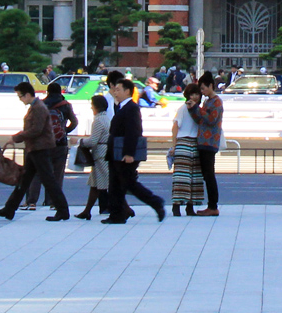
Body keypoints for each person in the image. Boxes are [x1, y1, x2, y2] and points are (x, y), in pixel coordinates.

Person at [0, 81, 69, 221]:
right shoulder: (35, 107)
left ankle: (63, 210)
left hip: (40, 149)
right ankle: (9, 209)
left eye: (20, 96)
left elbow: (36, 130)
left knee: (49, 181)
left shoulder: (38, 108)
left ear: (27, 94)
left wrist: (16, 138)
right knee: (24, 180)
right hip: (34, 149)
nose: (20, 99)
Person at [105, 77, 164, 223]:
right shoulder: (120, 106)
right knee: (115, 185)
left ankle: (156, 202)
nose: (115, 92)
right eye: (115, 89)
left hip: (124, 153)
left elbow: (134, 132)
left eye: (118, 90)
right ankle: (116, 215)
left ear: (127, 91)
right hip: (115, 152)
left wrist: (129, 153)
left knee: (129, 183)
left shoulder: (131, 108)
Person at [188, 71, 223, 216]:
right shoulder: (207, 101)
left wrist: (198, 109)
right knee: (207, 174)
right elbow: (200, 120)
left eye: (203, 88)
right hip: (203, 141)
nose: (201, 92)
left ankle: (213, 206)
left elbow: (211, 119)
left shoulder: (216, 101)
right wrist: (193, 109)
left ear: (210, 86)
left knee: (209, 175)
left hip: (210, 142)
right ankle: (211, 205)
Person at [169, 86, 205, 216]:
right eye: (193, 94)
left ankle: (188, 206)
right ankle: (178, 205)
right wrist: (174, 145)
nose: (195, 97)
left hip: (194, 143)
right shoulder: (184, 108)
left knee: (193, 177)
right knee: (183, 177)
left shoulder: (197, 110)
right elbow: (175, 126)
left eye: (197, 94)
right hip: (184, 141)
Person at [77, 93, 112, 219]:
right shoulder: (106, 118)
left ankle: (126, 208)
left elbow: (93, 141)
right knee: (95, 184)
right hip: (104, 152)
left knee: (104, 184)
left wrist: (80, 141)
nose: (91, 108)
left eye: (92, 105)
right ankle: (87, 211)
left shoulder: (98, 121)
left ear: (96, 106)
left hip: (100, 154)